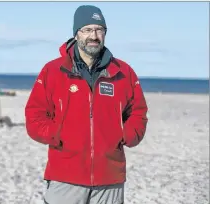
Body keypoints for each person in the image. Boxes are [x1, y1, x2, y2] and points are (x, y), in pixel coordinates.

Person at [24, 5, 148, 204]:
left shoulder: (124, 72)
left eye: (99, 30)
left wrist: (128, 135)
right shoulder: (53, 71)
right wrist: (57, 134)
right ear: (76, 33)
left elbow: (138, 112)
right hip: (65, 176)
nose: (94, 36)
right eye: (87, 30)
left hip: (110, 177)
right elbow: (34, 115)